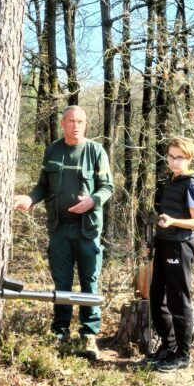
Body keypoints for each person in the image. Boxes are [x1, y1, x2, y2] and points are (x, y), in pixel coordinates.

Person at [13, 106, 113, 360]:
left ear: (86, 123)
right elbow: (42, 187)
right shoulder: (53, 150)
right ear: (62, 123)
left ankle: (89, 334)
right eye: (71, 121)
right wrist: (30, 198)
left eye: (80, 121)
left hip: (87, 229)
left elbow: (107, 186)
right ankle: (60, 331)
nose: (76, 125)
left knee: (89, 281)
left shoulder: (95, 151)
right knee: (62, 282)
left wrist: (93, 201)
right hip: (59, 229)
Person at [145, 137, 194, 373]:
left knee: (179, 300)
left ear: (189, 158)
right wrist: (152, 241)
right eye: (170, 156)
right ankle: (168, 347)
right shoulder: (169, 181)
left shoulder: (191, 184)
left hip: (180, 246)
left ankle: (183, 354)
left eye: (179, 157)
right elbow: (163, 216)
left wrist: (173, 222)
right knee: (156, 296)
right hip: (163, 243)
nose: (173, 161)